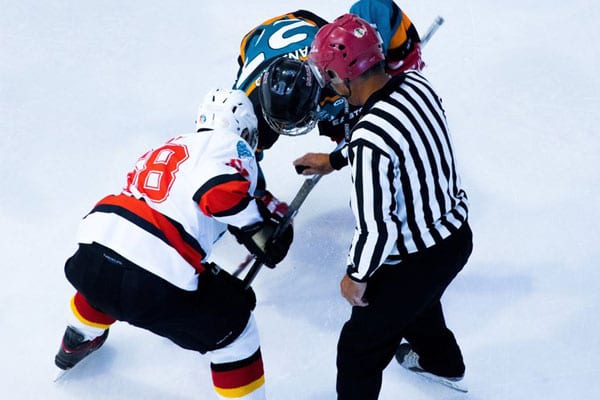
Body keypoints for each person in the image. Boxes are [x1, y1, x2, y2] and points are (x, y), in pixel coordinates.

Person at [54, 89, 293, 399]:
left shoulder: (173, 144)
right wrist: (257, 224)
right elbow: (218, 195)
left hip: (92, 255)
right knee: (237, 333)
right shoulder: (229, 145)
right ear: (244, 128)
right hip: (150, 280)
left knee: (111, 270)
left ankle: (77, 338)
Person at [308, 14, 472, 399]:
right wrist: (333, 160)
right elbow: (399, 139)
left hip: (417, 255)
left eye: (329, 77)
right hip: (455, 237)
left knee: (358, 350)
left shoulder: (369, 141)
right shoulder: (417, 85)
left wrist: (356, 276)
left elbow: (377, 229)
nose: (330, 86)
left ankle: (440, 362)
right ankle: (443, 363)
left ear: (346, 74)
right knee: (417, 302)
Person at [233, 2, 423, 193]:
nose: (286, 129)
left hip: (307, 29)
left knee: (367, 92)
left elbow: (373, 6)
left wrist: (398, 56)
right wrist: (259, 198)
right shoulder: (245, 110)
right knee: (245, 143)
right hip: (260, 42)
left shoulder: (335, 68)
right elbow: (237, 156)